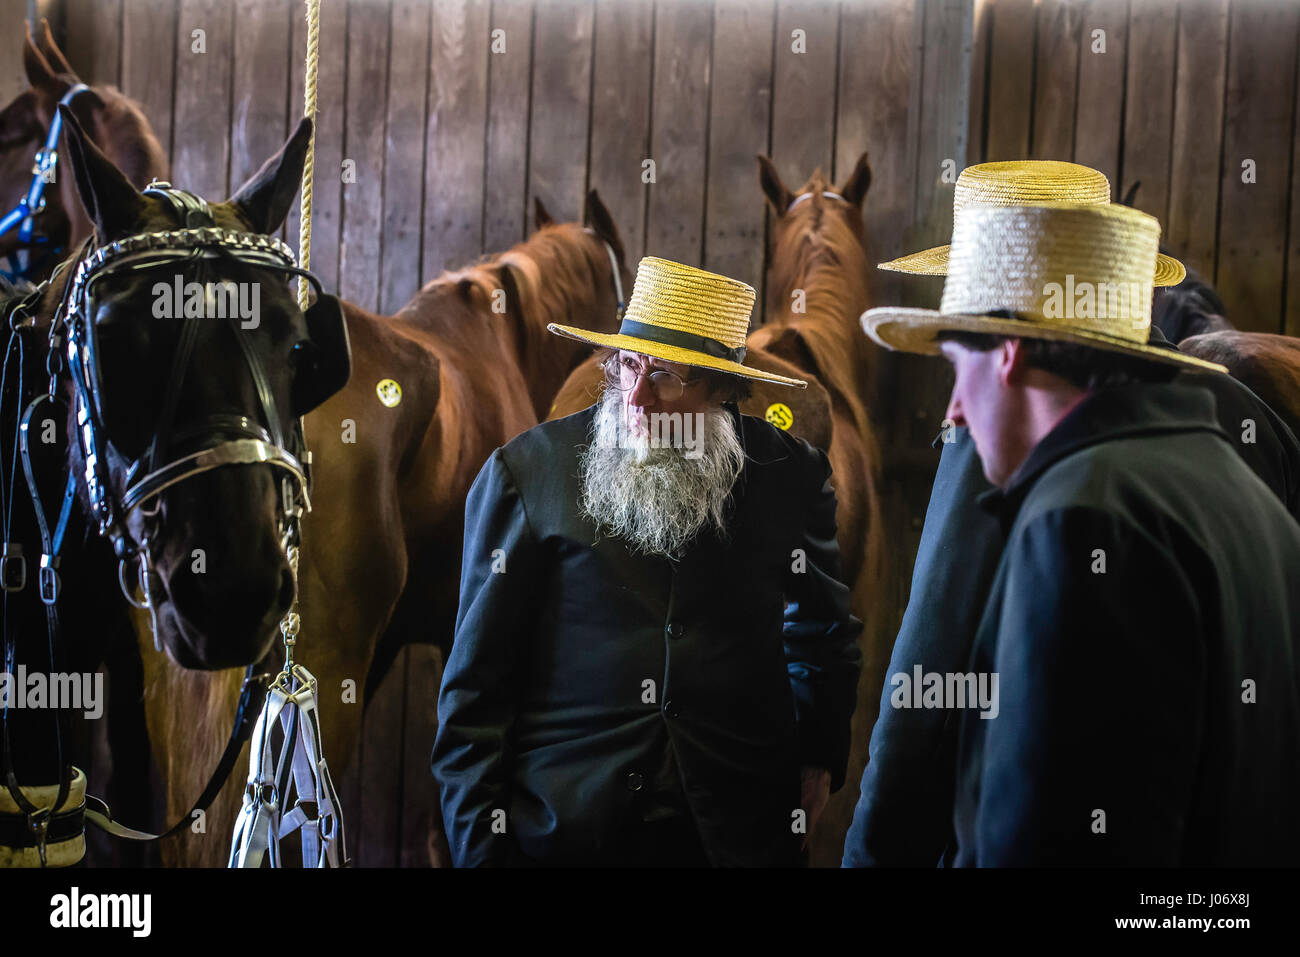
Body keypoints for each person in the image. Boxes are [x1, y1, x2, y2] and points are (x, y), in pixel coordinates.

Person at [844, 161, 1300, 867]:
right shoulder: (1254, 503)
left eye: (955, 368)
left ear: (1009, 355)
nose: (952, 410)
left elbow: (1039, 831)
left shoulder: (1077, 516)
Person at [432, 256, 862, 867]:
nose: (636, 397)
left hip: (736, 832)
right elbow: (475, 693)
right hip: (563, 833)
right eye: (628, 365)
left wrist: (818, 758)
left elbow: (823, 634)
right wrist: (480, 851)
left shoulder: (790, 476)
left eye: (664, 375)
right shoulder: (528, 474)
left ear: (721, 389)